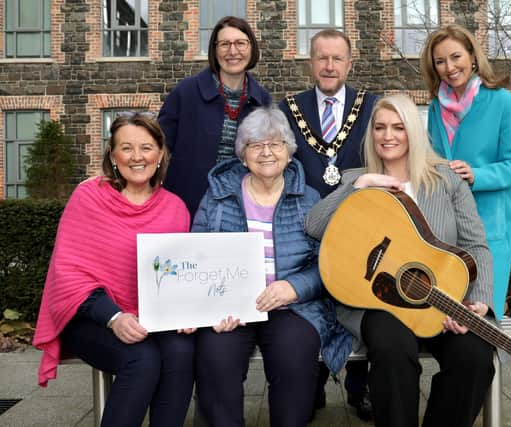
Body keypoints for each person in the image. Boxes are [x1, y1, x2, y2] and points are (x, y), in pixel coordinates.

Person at [305, 94, 495, 427]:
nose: (387, 135)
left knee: (476, 358)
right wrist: (360, 187)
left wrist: (477, 301)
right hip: (377, 302)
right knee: (393, 352)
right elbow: (314, 226)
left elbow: (476, 246)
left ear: (414, 133)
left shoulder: (447, 181)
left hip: (440, 300)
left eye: (398, 127)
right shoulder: (355, 179)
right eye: (379, 127)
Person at [191, 106, 352, 427]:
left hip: (293, 308)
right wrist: (212, 308)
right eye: (255, 145)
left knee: (295, 360)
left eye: (275, 144)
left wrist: (293, 288)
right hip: (231, 309)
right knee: (215, 358)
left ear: (289, 152)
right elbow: (198, 255)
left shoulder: (309, 199)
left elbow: (329, 265)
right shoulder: (218, 196)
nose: (266, 152)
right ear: (242, 154)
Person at [33, 112, 195, 426]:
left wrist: (185, 311)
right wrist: (114, 317)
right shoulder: (88, 197)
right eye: (127, 148)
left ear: (160, 154)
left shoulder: (175, 208)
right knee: (142, 359)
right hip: (90, 317)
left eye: (146, 148)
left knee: (181, 351)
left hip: (153, 317)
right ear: (112, 154)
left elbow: (180, 273)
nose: (137, 157)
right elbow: (68, 273)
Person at [278, 28, 377, 420]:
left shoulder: (371, 107)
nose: (329, 66)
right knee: (313, 301)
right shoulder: (288, 109)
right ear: (310, 63)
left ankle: (359, 386)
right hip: (304, 222)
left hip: (360, 220)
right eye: (322, 58)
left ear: (350, 63)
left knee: (358, 297)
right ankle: (312, 383)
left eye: (337, 58)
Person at [421, 24, 511, 321]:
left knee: (482, 316)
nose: (449, 67)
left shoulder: (504, 103)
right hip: (444, 229)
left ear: (472, 56)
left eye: (456, 57)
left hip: (490, 227)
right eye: (440, 61)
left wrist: (476, 175)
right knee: (448, 321)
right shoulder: (434, 108)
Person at [158, 15, 271, 219]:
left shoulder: (262, 100)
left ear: (251, 47)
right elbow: (159, 147)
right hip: (186, 205)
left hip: (241, 208)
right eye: (224, 44)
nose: (233, 51)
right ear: (214, 49)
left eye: (240, 43)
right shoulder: (186, 92)